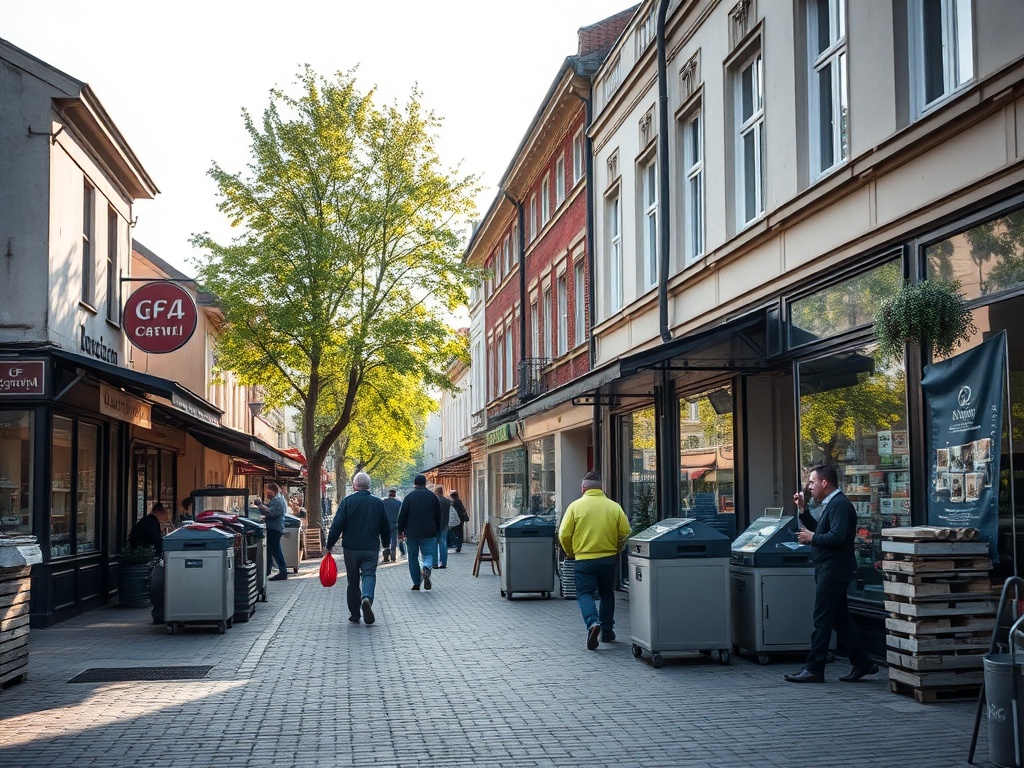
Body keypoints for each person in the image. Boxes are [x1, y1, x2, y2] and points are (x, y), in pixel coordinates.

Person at [784, 464, 878, 683]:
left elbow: (836, 537)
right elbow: (822, 530)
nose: (809, 486)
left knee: (822, 619)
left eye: (812, 482)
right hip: (830, 567)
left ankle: (814, 668)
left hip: (834, 569)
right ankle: (863, 663)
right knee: (839, 618)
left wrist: (812, 538)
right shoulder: (833, 504)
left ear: (824, 483)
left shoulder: (839, 504)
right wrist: (803, 510)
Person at [557, 472, 631, 651]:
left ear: (583, 488)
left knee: (585, 593)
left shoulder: (575, 507)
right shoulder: (614, 507)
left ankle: (592, 623)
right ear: (600, 488)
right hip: (608, 559)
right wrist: (617, 549)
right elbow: (626, 532)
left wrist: (571, 552)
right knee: (607, 594)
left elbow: (564, 534)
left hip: (583, 559)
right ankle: (607, 631)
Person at [325, 472, 390, 625]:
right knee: (369, 574)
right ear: (369, 486)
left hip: (351, 548)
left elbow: (337, 524)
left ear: (355, 486)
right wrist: (386, 544)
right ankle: (366, 598)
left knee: (352, 581)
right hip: (371, 547)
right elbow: (385, 525)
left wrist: (329, 544)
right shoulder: (377, 503)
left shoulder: (347, 502)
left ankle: (355, 614)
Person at [396, 474, 443, 591]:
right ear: (425, 483)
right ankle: (426, 567)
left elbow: (402, 516)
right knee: (428, 555)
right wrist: (438, 530)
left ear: (414, 483)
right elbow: (438, 516)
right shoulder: (432, 497)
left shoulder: (408, 497)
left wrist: (400, 530)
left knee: (413, 557)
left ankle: (416, 582)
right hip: (429, 532)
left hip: (411, 533)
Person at [256, 482, 289, 581]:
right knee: (273, 550)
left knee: (274, 550)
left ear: (273, 491)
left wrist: (260, 505)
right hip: (275, 528)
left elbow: (270, 512)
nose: (266, 494)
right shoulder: (277, 499)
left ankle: (279, 572)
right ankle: (271, 571)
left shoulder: (277, 500)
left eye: (268, 492)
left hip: (274, 528)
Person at [434, 484, 453, 569]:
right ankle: (443, 563)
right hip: (445, 524)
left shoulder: (434, 500)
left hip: (435, 525)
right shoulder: (447, 501)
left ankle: (435, 563)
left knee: (434, 544)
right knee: (443, 543)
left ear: (435, 491)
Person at [381, 489, 402, 562]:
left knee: (385, 539)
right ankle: (393, 556)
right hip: (395, 524)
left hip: (384, 524)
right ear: (395, 495)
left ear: (388, 494)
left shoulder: (383, 502)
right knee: (393, 540)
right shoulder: (398, 503)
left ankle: (386, 556)